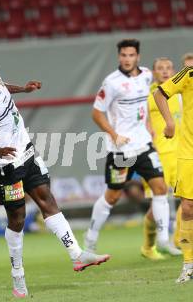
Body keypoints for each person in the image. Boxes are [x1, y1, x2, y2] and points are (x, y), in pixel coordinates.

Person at [0, 58, 110, 298]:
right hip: (5, 165)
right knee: (18, 218)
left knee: (48, 201)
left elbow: (1, 88)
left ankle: (77, 255)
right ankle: (17, 274)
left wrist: (23, 88)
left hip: (26, 152)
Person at [83, 39, 177, 255]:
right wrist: (114, 134)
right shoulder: (111, 82)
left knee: (160, 188)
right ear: (119, 57)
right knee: (112, 197)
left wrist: (149, 126)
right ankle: (90, 239)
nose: (127, 59)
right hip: (121, 151)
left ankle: (163, 240)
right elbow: (96, 113)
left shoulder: (145, 75)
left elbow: (147, 102)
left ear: (138, 57)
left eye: (131, 55)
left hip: (143, 145)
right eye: (123, 55)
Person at [140, 57, 182, 259]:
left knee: (188, 199)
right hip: (157, 154)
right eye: (160, 68)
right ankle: (149, 246)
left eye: (168, 67)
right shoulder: (146, 95)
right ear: (154, 72)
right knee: (157, 202)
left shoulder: (181, 91)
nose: (165, 71)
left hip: (182, 153)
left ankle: (176, 241)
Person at [154, 66, 193, 283]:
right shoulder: (189, 73)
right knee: (188, 207)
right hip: (189, 153)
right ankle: (188, 264)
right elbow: (159, 93)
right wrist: (170, 122)